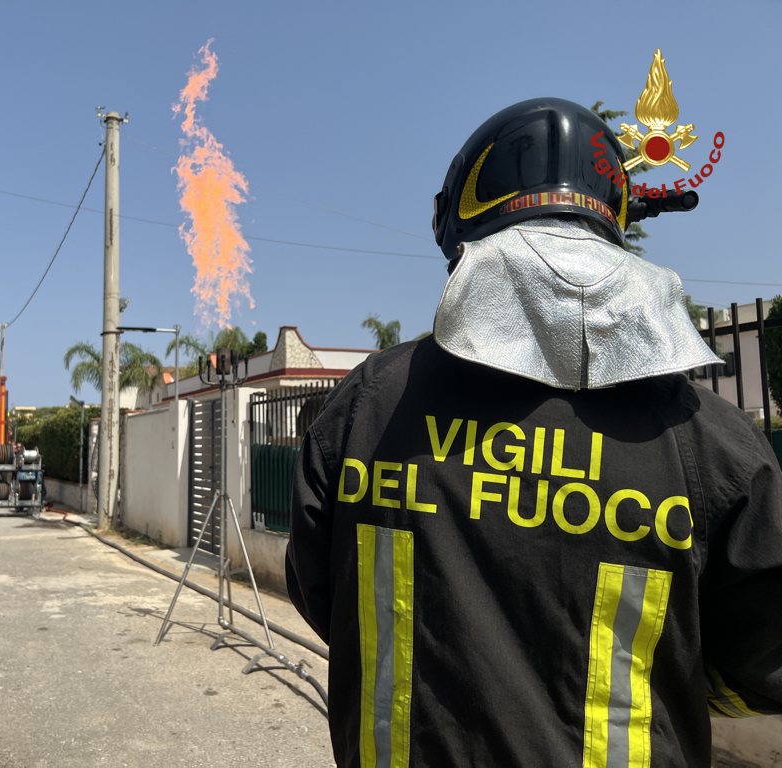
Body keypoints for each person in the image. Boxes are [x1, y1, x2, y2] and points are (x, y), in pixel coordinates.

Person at [286, 97, 782, 767]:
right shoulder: (714, 443)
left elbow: (324, 597)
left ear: (455, 225)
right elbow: (762, 665)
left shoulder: (366, 407)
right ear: (616, 224)